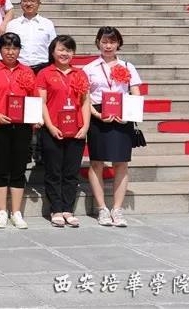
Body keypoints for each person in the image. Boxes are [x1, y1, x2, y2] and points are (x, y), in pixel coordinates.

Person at [83, 27, 142, 228]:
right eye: (104, 41)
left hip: (123, 115)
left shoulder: (127, 66)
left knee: (121, 163)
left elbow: (135, 92)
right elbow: (85, 97)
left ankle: (117, 209)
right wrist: (96, 114)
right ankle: (102, 209)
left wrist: (129, 115)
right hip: (99, 115)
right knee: (96, 162)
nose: (108, 46)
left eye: (112, 42)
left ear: (118, 44)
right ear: (98, 43)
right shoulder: (89, 68)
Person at [0, 32, 36, 230]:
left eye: (14, 48)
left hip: (22, 127)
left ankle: (16, 212)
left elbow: (34, 99)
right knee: (1, 168)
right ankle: (2, 211)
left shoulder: (27, 71)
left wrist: (34, 118)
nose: (10, 52)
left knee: (19, 169)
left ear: (19, 50)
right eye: (6, 48)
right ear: (0, 50)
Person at [36, 35, 91, 228]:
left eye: (68, 50)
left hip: (76, 130)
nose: (64, 53)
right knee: (53, 171)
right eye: (60, 49)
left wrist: (85, 126)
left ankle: (68, 209)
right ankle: (56, 209)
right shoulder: (44, 73)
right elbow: (42, 102)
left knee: (71, 172)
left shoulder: (80, 74)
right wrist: (50, 126)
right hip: (53, 130)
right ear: (52, 52)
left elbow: (85, 102)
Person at [5, 0, 57, 72]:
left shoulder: (47, 24)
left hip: (43, 69)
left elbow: (54, 48)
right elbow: (7, 48)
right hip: (19, 69)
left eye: (33, 1)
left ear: (39, 3)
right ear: (20, 3)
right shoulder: (12, 25)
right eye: (25, 1)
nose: (29, 4)